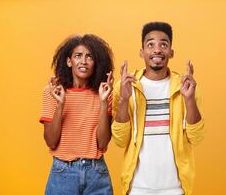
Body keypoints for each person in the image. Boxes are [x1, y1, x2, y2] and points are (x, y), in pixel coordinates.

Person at [111, 22, 206, 195]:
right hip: (137, 188)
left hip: (176, 188)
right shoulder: (125, 86)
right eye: (150, 44)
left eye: (163, 44)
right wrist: (124, 99)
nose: (157, 49)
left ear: (171, 52)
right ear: (141, 52)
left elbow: (196, 137)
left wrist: (189, 99)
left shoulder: (185, 87)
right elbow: (120, 140)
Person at [39, 34, 114, 195]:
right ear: (68, 61)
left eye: (90, 57)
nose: (84, 61)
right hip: (63, 173)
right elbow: (51, 142)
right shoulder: (52, 92)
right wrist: (60, 104)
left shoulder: (104, 93)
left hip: (97, 173)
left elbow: (102, 143)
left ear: (96, 63)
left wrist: (103, 102)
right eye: (78, 56)